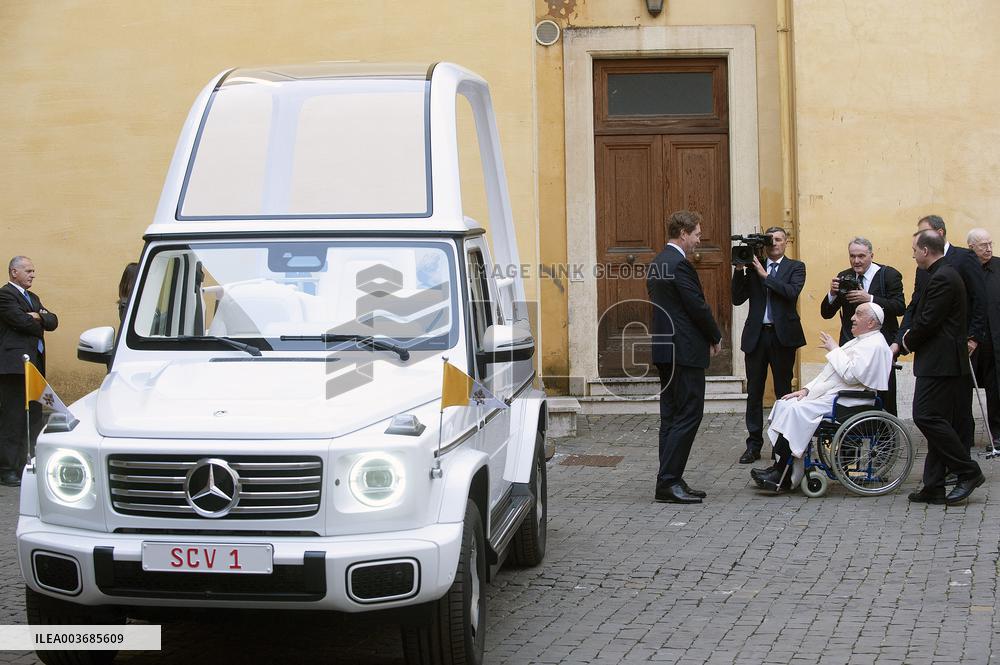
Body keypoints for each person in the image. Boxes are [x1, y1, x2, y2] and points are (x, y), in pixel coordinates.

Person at [750, 302, 892, 491]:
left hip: (850, 400)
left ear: (871, 322)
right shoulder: (862, 340)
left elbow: (850, 375)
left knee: (796, 410)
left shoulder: (874, 344)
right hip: (837, 396)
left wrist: (834, 349)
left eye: (858, 314)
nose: (852, 318)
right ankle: (783, 467)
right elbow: (831, 374)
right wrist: (807, 390)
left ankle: (783, 474)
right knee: (786, 403)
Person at [903, 231, 985, 505]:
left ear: (926, 250)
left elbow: (927, 322)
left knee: (926, 417)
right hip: (942, 361)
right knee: (938, 420)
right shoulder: (942, 274)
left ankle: (968, 471)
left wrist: (903, 343)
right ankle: (934, 485)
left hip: (941, 362)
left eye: (914, 249)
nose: (913, 254)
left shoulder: (943, 277)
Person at [647, 210, 722, 504]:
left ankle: (670, 478)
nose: (699, 241)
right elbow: (696, 306)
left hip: (666, 350)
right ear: (683, 234)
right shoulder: (679, 264)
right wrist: (714, 336)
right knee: (689, 414)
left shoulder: (657, 263)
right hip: (684, 350)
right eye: (697, 235)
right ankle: (667, 482)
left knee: (671, 415)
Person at [893, 215, 986, 451]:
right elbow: (916, 305)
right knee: (936, 414)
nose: (914, 247)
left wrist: (974, 336)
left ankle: (963, 464)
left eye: (921, 234)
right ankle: (939, 479)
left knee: (959, 408)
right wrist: (898, 340)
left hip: (957, 344)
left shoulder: (963, 258)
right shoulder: (924, 266)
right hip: (931, 349)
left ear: (938, 234)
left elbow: (979, 299)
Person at [732, 226, 806, 464]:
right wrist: (740, 270)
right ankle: (753, 445)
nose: (774, 243)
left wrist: (766, 276)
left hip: (782, 336)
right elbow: (737, 298)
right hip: (757, 336)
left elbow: (791, 293)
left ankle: (782, 444)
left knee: (784, 391)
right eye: (770, 239)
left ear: (786, 243)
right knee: (754, 391)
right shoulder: (754, 266)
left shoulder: (795, 267)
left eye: (779, 239)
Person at [819, 237, 905, 414]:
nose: (856, 261)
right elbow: (826, 313)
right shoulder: (845, 276)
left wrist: (870, 299)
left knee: (884, 396)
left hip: (880, 347)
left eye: (861, 256)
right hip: (851, 346)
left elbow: (899, 307)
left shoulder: (888, 275)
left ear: (871, 255)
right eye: (852, 256)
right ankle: (852, 439)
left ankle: (887, 438)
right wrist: (832, 293)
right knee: (850, 397)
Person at [0, 256, 59, 487]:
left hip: (34, 367)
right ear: (14, 272)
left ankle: (27, 463)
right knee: (12, 419)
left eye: (34, 270)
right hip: (13, 367)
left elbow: (53, 321)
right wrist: (36, 317)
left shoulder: (32, 298)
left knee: (33, 416)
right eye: (28, 270)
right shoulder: (5, 295)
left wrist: (38, 316)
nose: (33, 274)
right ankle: (7, 469)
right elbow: (21, 323)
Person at [967, 228, 1000, 449]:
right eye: (983, 245)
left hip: (994, 340)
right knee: (962, 388)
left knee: (995, 387)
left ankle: (996, 433)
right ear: (971, 248)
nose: (988, 249)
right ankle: (964, 436)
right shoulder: (964, 268)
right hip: (970, 339)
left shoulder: (999, 266)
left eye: (990, 244)